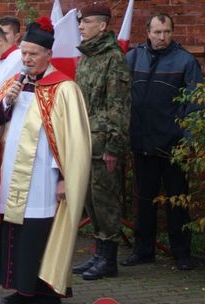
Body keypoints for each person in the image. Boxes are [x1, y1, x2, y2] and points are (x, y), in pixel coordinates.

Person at [0, 16, 91, 304]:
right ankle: (23, 290)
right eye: (24, 53)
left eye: (33, 54)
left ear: (48, 55)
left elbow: (73, 142)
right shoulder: (14, 82)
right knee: (15, 232)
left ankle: (45, 293)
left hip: (43, 178)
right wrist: (5, 103)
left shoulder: (64, 88)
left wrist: (64, 176)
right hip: (12, 173)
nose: (27, 59)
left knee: (39, 234)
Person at [121, 13, 203, 271]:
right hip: (142, 143)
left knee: (177, 202)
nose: (162, 37)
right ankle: (144, 250)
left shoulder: (186, 61)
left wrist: (187, 141)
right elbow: (121, 99)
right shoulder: (133, 58)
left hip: (173, 146)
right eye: (157, 32)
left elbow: (195, 104)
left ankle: (181, 253)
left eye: (166, 32)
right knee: (144, 201)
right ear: (147, 32)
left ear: (172, 32)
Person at [72, 3, 131, 281]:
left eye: (87, 22)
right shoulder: (86, 58)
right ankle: (98, 254)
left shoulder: (113, 58)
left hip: (103, 144)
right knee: (92, 202)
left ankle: (109, 260)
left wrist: (113, 147)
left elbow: (118, 106)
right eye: (81, 22)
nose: (81, 26)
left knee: (106, 202)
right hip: (85, 141)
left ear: (103, 26)